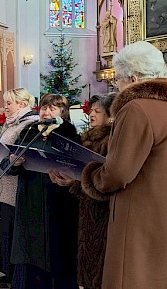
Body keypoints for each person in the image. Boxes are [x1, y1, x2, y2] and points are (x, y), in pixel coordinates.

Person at [81, 40, 167, 288]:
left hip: (141, 217)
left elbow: (117, 173)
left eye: (119, 80)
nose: (116, 86)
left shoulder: (136, 108)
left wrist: (91, 175)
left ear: (134, 79)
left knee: (136, 276)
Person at [8, 94, 80, 289]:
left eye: (53, 109)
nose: (46, 112)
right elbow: (9, 162)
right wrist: (14, 162)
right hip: (28, 201)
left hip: (55, 202)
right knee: (29, 255)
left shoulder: (70, 135)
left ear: (62, 114)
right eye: (44, 108)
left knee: (54, 255)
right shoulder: (29, 132)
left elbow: (77, 167)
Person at [48, 93, 117, 289]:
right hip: (84, 208)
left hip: (102, 213)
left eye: (97, 111)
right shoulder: (88, 138)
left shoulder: (110, 140)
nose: (91, 114)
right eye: (91, 110)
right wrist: (67, 179)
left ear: (110, 115)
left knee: (100, 265)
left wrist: (76, 182)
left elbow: (105, 179)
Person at [0, 87, 39, 283]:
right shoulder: (11, 123)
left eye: (9, 103)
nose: (6, 106)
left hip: (16, 184)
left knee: (15, 233)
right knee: (6, 230)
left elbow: (19, 159)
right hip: (4, 184)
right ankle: (9, 272)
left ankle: (17, 275)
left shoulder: (29, 124)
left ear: (22, 103)